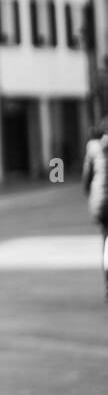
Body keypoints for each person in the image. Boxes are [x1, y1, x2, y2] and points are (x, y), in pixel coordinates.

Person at [82, 122, 108, 302]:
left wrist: (89, 194)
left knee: (106, 241)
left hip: (101, 203)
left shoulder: (94, 148)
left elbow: (87, 178)